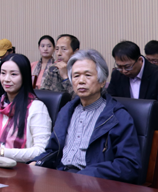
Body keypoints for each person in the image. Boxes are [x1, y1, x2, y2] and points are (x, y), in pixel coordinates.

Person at [32, 50, 142, 184]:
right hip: (60, 178)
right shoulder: (66, 110)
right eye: (76, 76)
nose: (81, 81)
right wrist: (36, 163)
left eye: (88, 75)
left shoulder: (117, 116)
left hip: (93, 182)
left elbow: (129, 165)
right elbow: (53, 150)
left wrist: (88, 174)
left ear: (102, 82)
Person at [0, 53, 51, 162]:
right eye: (3, 73)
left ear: (24, 77)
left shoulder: (37, 107)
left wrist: (3, 152)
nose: (6, 79)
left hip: (21, 168)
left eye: (13, 74)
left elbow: (42, 151)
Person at [107, 40, 158, 118]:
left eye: (127, 67)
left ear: (139, 60)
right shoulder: (117, 74)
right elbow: (110, 101)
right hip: (124, 120)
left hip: (151, 122)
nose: (124, 71)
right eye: (119, 66)